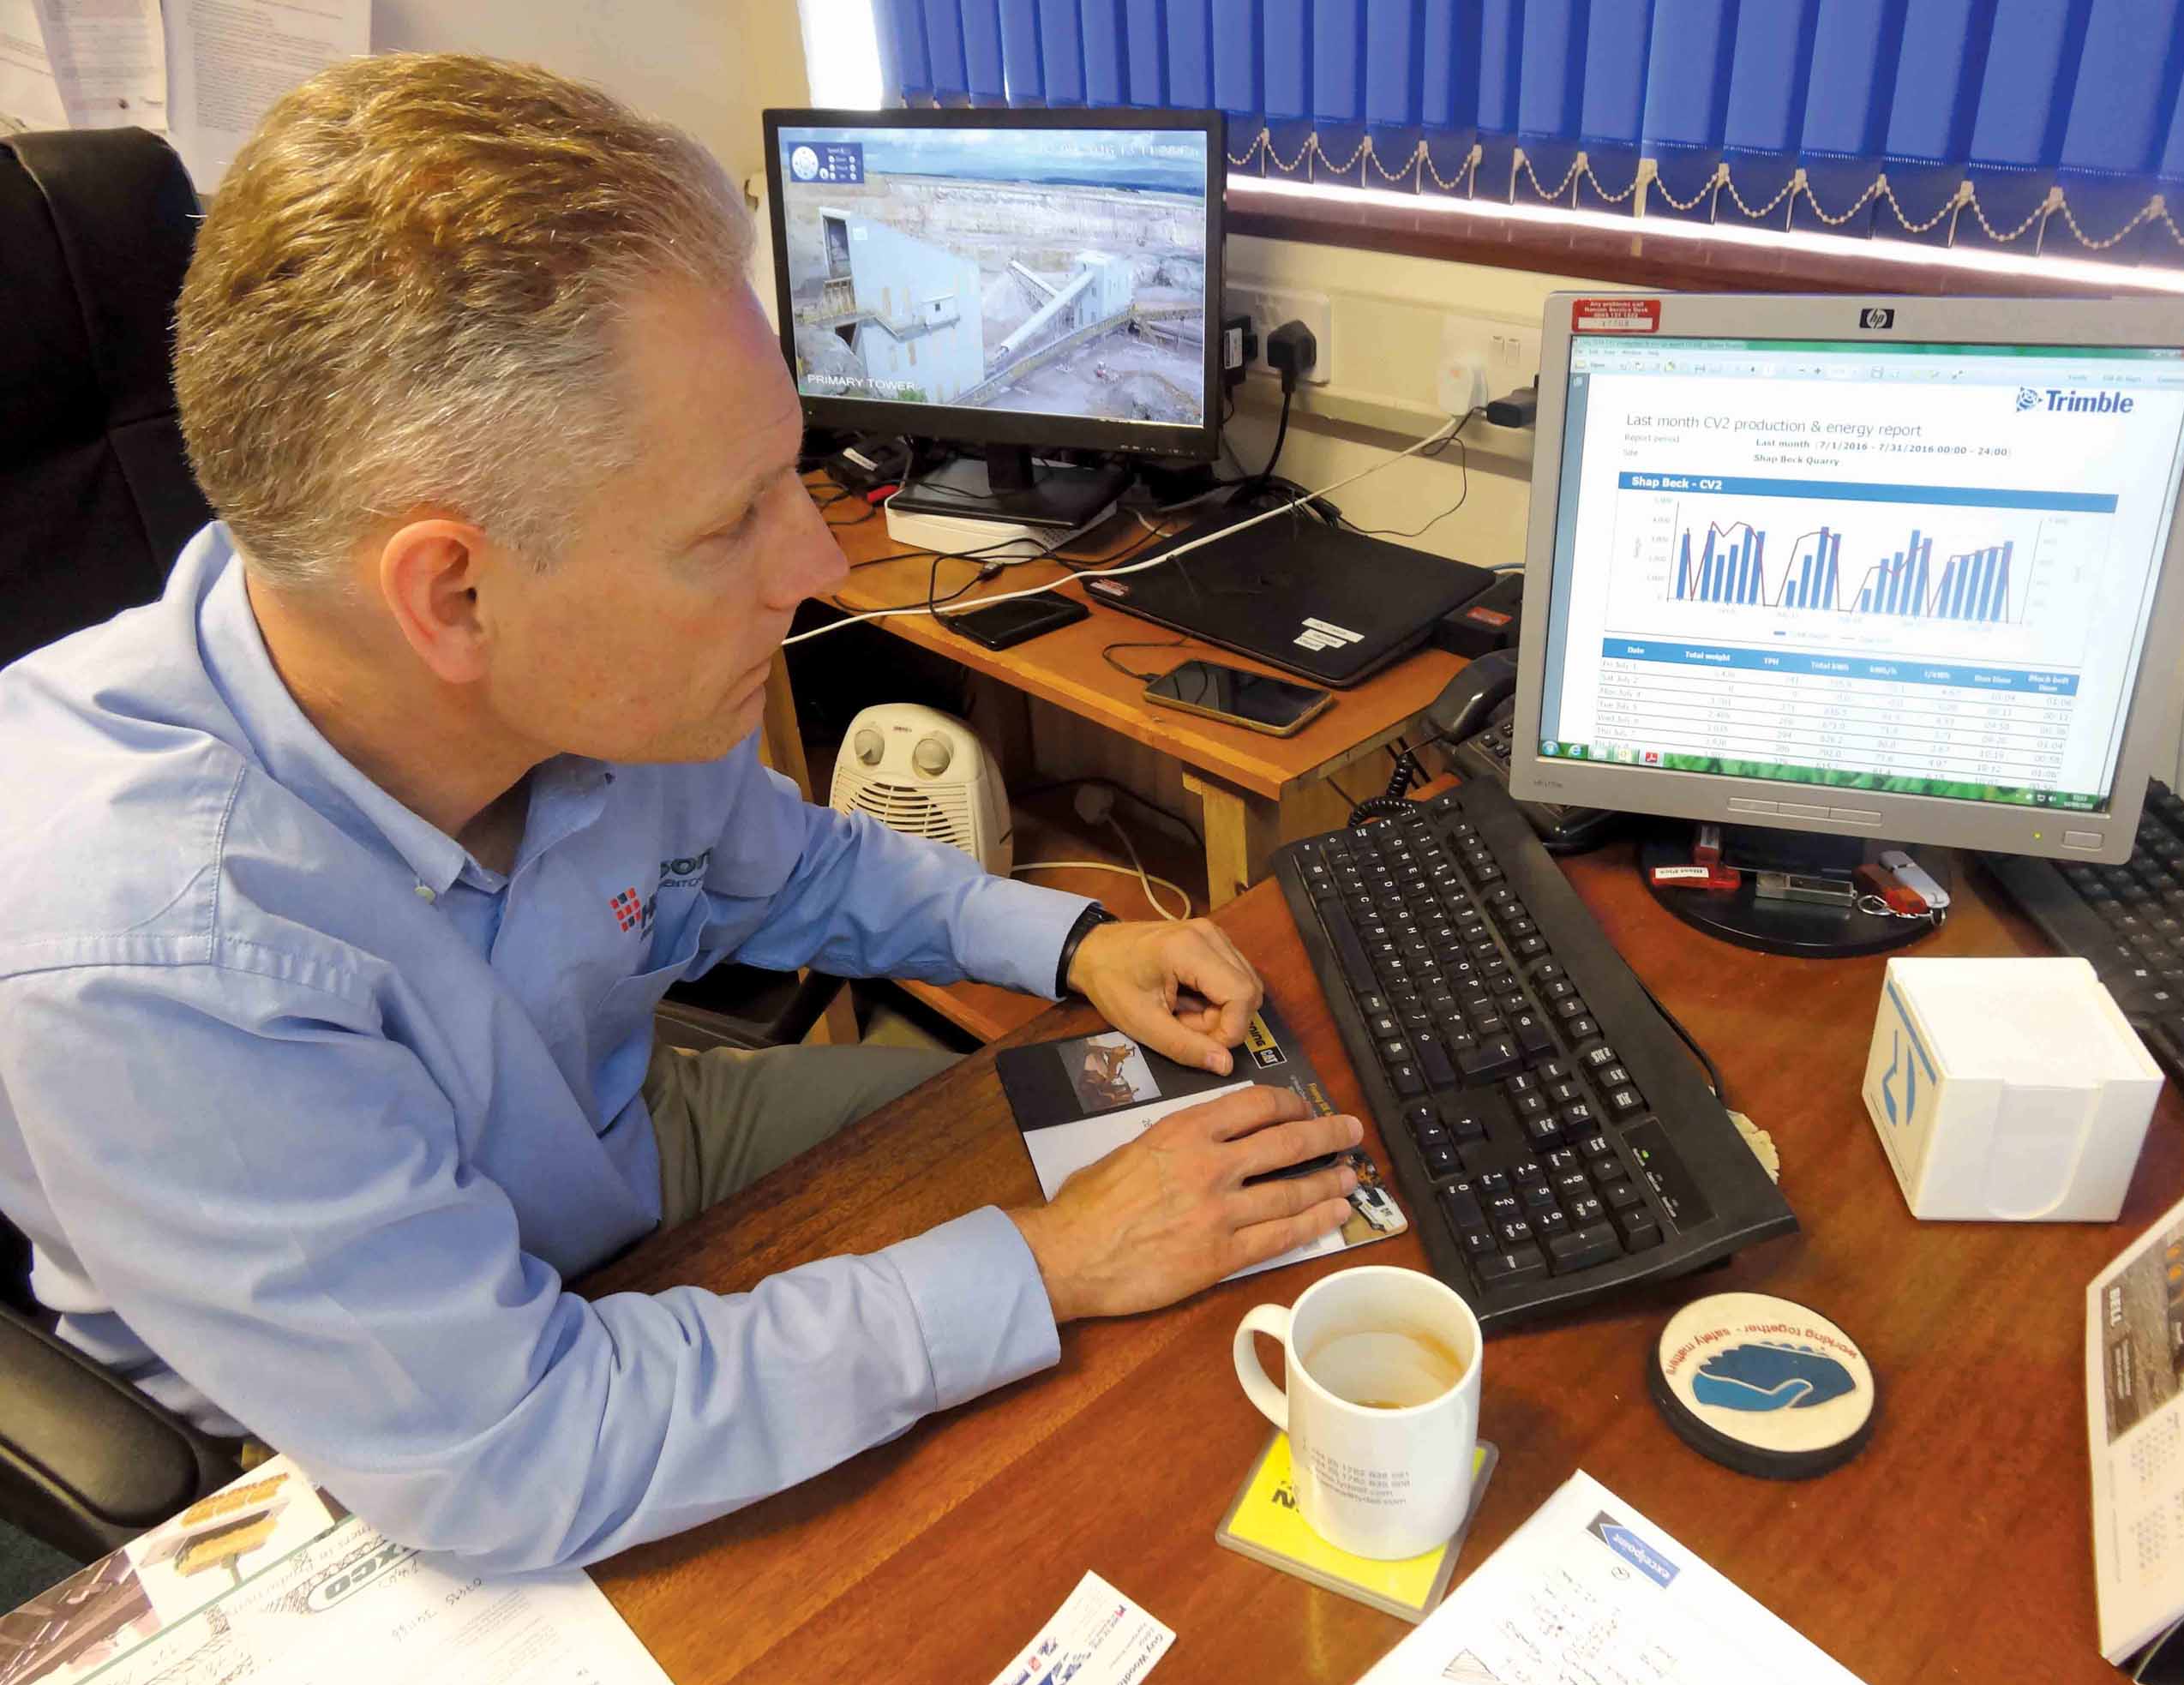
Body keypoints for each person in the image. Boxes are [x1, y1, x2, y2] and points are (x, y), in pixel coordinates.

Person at [0, 54, 1366, 1572]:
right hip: (341, 1434)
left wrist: (1071, 941)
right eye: (731, 523)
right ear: (452, 593)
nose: (823, 569)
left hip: (606, 1152)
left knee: (1092, 1139)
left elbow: (791, 866)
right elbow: (515, 1460)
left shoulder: (582, 690)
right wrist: (1049, 1266)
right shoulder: (143, 956)